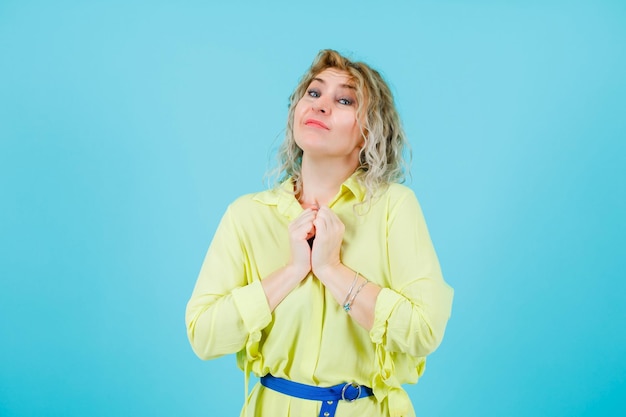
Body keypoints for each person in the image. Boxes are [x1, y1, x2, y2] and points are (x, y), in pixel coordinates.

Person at [185, 49, 454, 417]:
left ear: (368, 133)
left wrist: (332, 270)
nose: (321, 106)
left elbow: (424, 331)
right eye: (314, 93)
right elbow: (204, 334)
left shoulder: (395, 207)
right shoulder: (247, 215)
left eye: (344, 99)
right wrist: (293, 271)